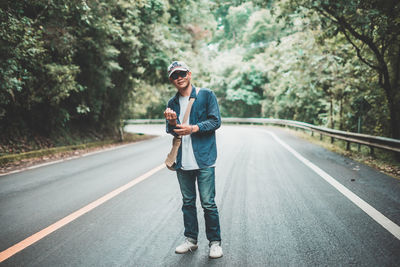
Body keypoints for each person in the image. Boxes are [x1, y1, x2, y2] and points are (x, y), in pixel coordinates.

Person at [164, 61, 223, 259]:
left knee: (208, 203)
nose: (178, 77)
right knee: (188, 203)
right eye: (174, 75)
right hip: (182, 161)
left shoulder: (206, 95)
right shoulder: (171, 103)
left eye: (181, 73)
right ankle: (191, 240)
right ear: (171, 80)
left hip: (204, 159)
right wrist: (172, 122)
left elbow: (216, 121)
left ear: (189, 74)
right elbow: (170, 130)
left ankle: (215, 243)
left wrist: (194, 128)